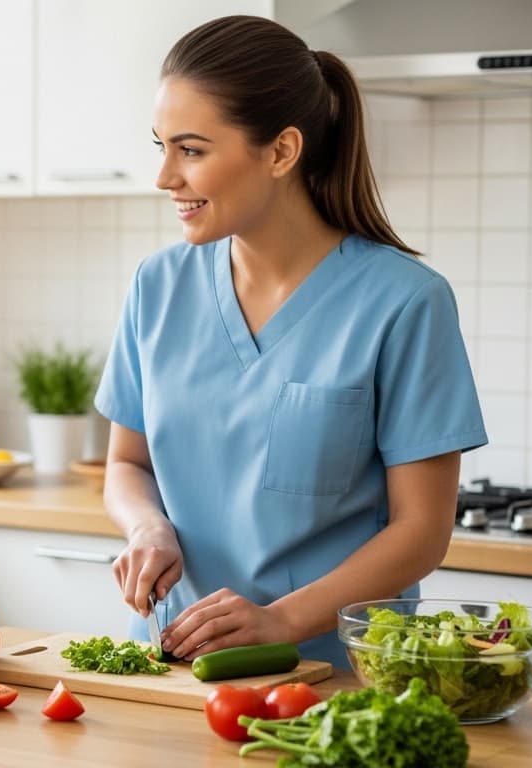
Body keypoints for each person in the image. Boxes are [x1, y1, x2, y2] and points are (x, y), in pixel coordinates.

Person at [97, 16, 487, 670]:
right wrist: (147, 528)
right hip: (174, 670)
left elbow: (421, 531)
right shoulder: (157, 286)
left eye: (191, 150)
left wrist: (281, 621)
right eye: (160, 146)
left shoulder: (405, 301)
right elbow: (126, 465)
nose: (165, 176)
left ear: (280, 152)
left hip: (335, 681)